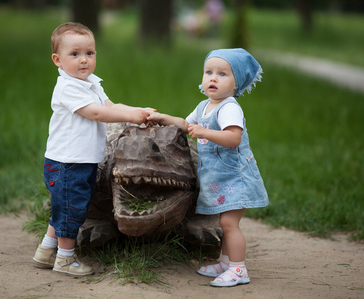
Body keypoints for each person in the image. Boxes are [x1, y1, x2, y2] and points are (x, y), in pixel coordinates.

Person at [33, 22, 154, 276]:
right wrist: (130, 117)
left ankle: (46, 250)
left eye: (90, 53)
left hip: (80, 160)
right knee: (72, 209)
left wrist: (137, 111)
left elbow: (111, 104)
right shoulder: (68, 87)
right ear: (57, 59)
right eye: (74, 54)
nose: (84, 60)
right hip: (67, 163)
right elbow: (96, 112)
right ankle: (65, 259)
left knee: (64, 206)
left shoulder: (90, 83)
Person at [147, 48, 269, 287]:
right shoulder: (205, 105)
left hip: (237, 177)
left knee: (228, 224)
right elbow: (185, 124)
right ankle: (226, 262)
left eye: (223, 74)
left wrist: (204, 132)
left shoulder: (229, 107)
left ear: (237, 84)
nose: (213, 78)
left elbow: (233, 138)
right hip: (221, 178)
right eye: (209, 72)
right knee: (224, 222)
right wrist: (163, 118)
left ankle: (238, 269)